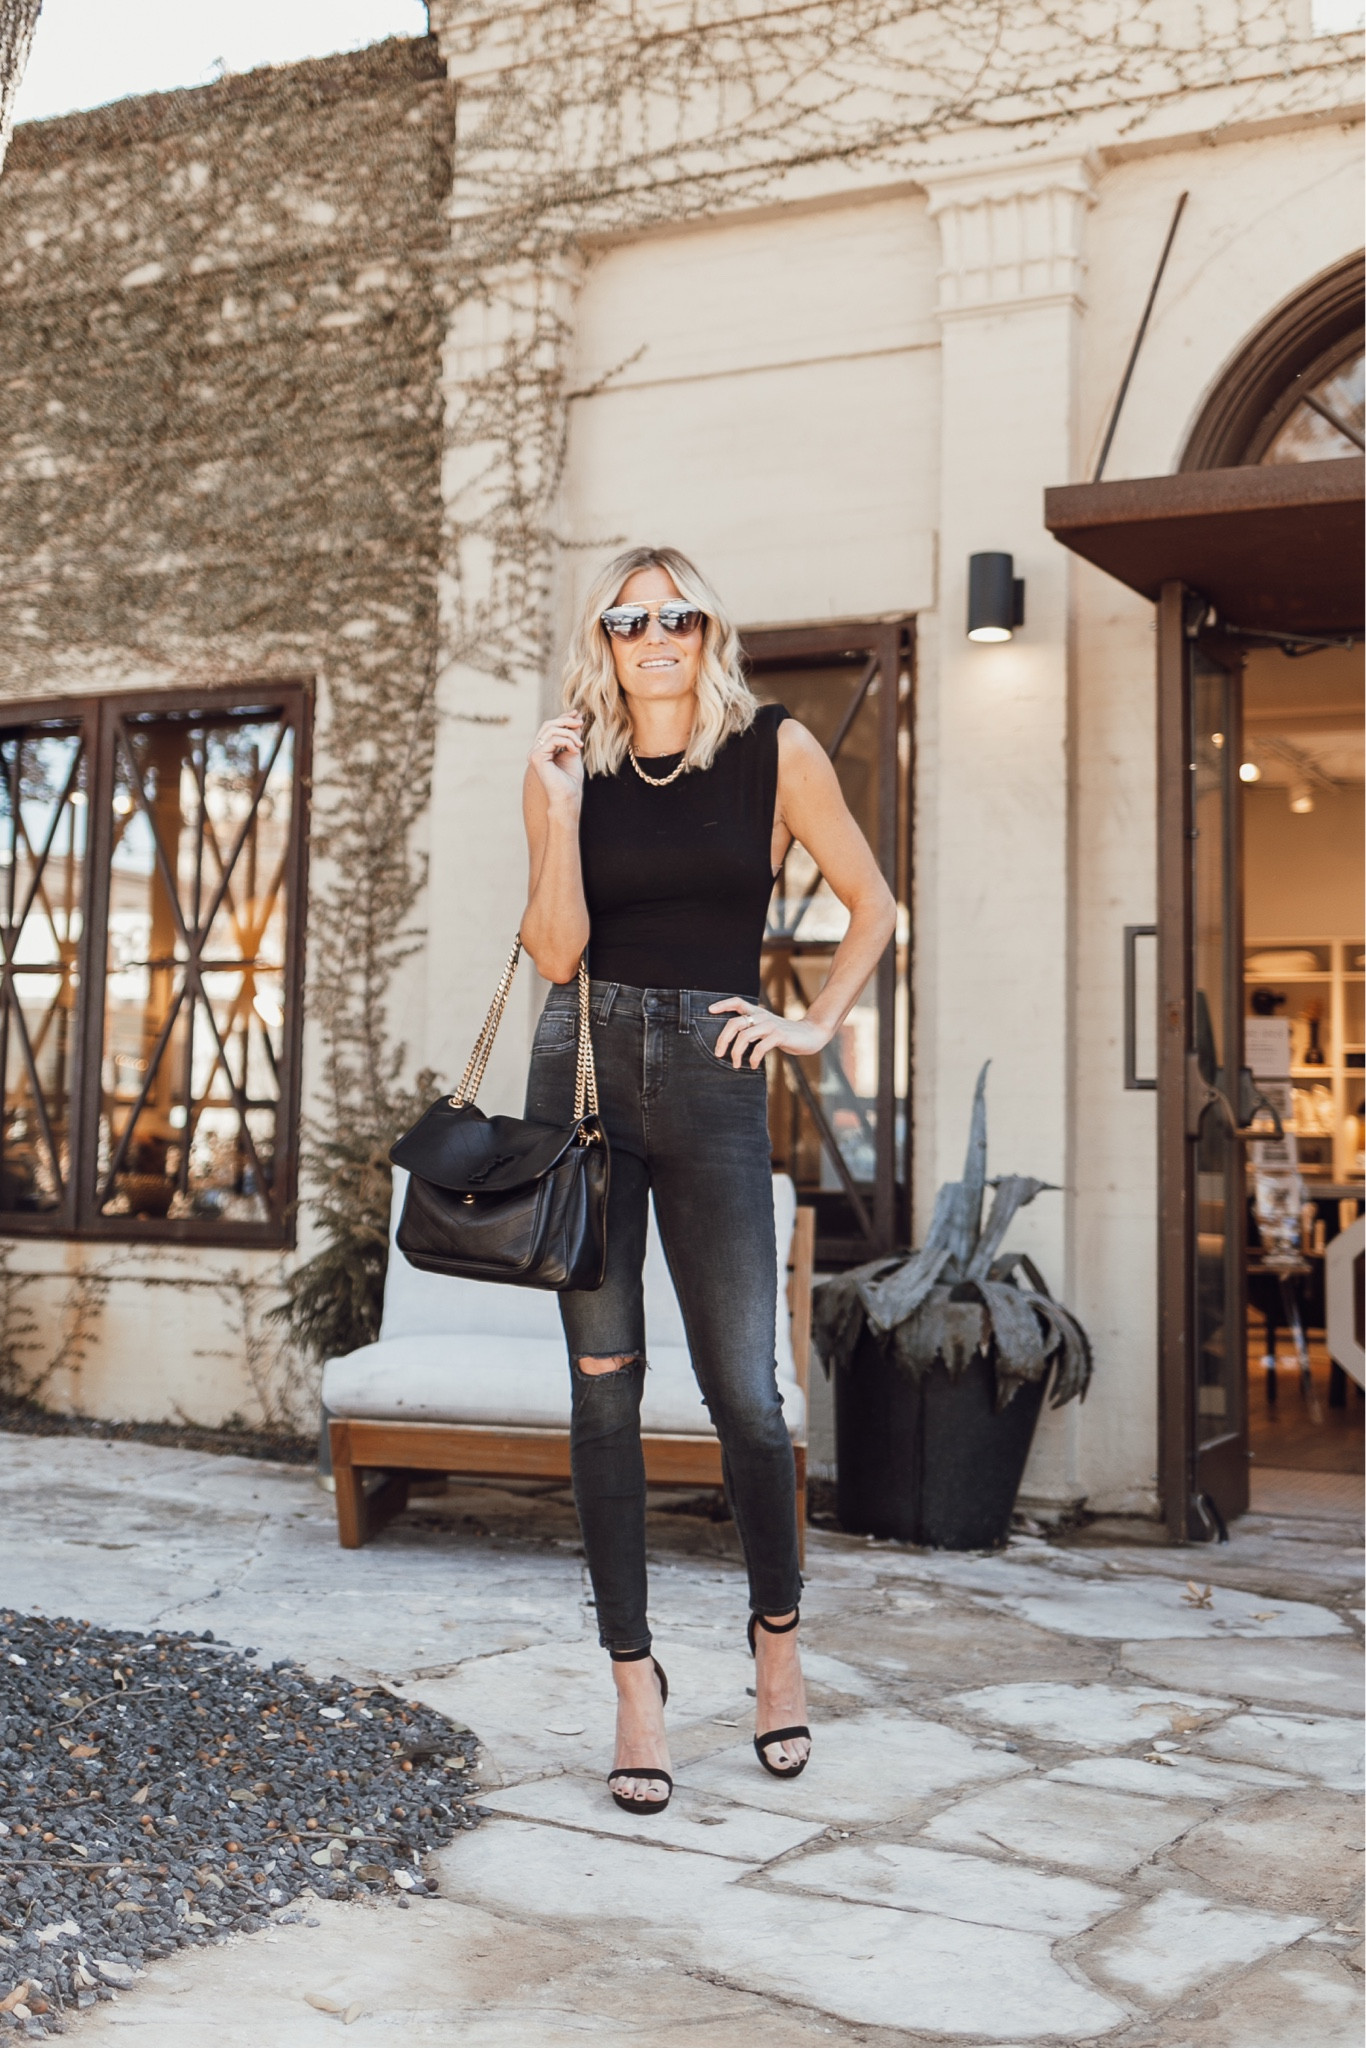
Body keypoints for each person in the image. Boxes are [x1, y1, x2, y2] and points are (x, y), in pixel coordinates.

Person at [520, 545, 895, 1814]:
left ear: (707, 631)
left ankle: (775, 1645)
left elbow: (872, 904)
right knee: (602, 1389)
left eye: (676, 615)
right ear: (604, 643)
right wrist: (557, 812)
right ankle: (635, 1683)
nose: (655, 637)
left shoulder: (774, 748)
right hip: (581, 1074)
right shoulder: (569, 763)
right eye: (628, 622)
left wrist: (814, 1024)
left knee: (746, 1390)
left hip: (715, 1074)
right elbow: (554, 953)